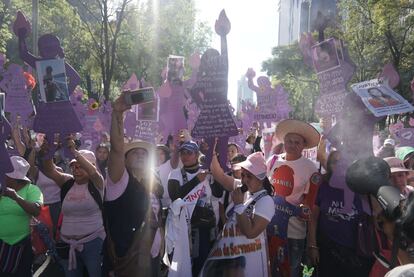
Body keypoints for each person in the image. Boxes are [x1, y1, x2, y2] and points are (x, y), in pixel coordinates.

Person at [104, 94, 163, 277]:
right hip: (128, 264)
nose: (140, 155)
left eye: (144, 153)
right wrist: (117, 115)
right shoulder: (119, 183)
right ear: (125, 160)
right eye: (134, 152)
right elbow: (116, 149)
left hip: (150, 261)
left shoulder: (152, 185)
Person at [203, 151, 275, 276]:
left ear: (261, 178)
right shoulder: (243, 188)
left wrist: (239, 205)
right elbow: (218, 175)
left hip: (249, 261)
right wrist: (213, 152)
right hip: (231, 255)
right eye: (243, 175)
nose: (244, 180)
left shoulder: (266, 201)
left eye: (249, 176)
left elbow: (251, 232)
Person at [41, 138, 105, 277]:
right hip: (67, 245)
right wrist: (48, 151)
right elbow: (50, 170)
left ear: (91, 165)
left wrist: (73, 151)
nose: (76, 170)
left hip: (93, 244)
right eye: (73, 167)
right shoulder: (68, 182)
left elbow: (93, 173)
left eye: (80, 166)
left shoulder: (98, 183)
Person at [307, 151, 374, 277]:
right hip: (327, 249)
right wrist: (312, 245)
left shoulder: (361, 188)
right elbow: (313, 218)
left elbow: (373, 217)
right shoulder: (323, 186)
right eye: (335, 162)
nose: (340, 165)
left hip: (355, 253)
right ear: (330, 165)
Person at [267, 119, 320, 277]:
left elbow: (309, 207)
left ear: (304, 145)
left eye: (297, 142)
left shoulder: (310, 168)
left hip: (294, 234)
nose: (292, 145)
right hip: (269, 228)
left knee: (291, 271)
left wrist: (311, 243)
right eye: (289, 141)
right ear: (284, 142)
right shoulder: (272, 161)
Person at [168, 140, 223, 276]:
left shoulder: (206, 172)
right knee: (183, 268)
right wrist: (196, 180)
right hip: (182, 230)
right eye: (182, 153)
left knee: (203, 266)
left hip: (205, 229)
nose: (185, 156)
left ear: (197, 154)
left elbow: (218, 193)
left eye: (189, 153)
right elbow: (175, 197)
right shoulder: (175, 174)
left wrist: (216, 174)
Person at [0, 156, 43, 276]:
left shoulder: (32, 190)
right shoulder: (1, 189)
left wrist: (16, 197)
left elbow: (36, 210)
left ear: (14, 178)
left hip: (21, 243)